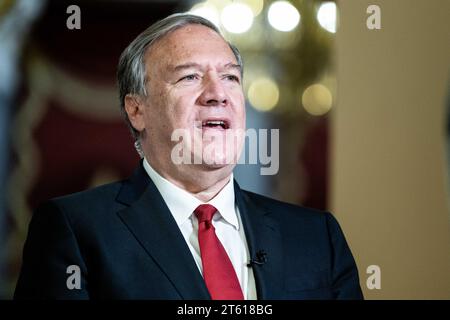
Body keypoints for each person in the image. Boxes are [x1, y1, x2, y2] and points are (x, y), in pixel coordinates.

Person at [14, 13, 363, 300]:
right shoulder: (75, 230)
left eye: (230, 77)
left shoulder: (318, 236)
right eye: (190, 77)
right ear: (137, 109)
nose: (217, 94)